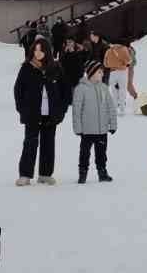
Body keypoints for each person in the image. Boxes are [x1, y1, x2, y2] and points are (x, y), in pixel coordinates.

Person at [13, 36, 67, 185]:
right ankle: (25, 174)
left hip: (51, 115)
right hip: (32, 114)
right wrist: (22, 109)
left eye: (41, 50)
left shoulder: (56, 68)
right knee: (30, 143)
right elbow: (18, 90)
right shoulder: (27, 68)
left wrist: (61, 111)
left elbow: (65, 91)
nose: (37, 53)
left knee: (48, 143)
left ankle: (45, 173)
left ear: (47, 51)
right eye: (35, 50)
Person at [72, 60, 117, 183]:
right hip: (87, 130)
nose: (102, 74)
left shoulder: (104, 88)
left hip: (102, 129)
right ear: (91, 73)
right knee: (84, 153)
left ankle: (102, 172)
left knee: (102, 153)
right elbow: (76, 110)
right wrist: (78, 128)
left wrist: (112, 124)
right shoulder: (81, 89)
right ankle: (83, 173)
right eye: (99, 72)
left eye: (102, 72)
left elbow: (110, 107)